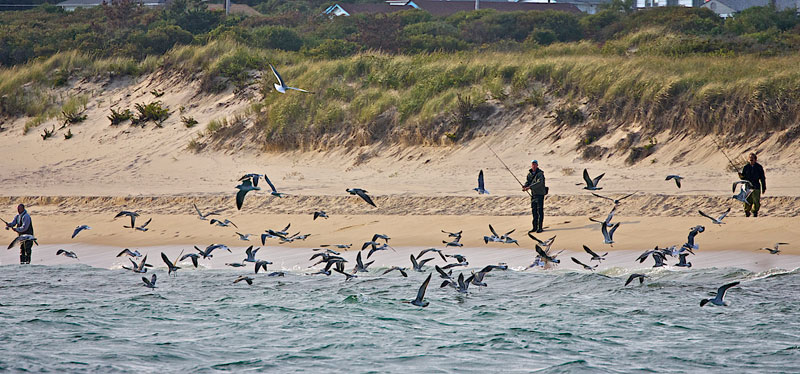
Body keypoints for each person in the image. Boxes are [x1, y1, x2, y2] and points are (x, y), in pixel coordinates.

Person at [522, 160, 547, 233]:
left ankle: (540, 227)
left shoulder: (540, 174)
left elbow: (539, 183)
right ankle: (534, 227)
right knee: (534, 211)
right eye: (533, 164)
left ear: (537, 165)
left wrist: (529, 187)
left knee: (540, 211)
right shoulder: (529, 174)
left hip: (540, 194)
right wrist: (525, 186)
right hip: (533, 194)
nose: (534, 166)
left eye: (535, 164)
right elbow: (528, 182)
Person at [739, 153, 766, 217]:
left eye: (752, 158)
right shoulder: (746, 167)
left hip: (756, 186)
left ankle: (755, 212)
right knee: (747, 201)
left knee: (756, 201)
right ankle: (747, 212)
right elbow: (743, 178)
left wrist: (763, 187)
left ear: (755, 159)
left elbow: (762, 178)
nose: (751, 160)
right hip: (747, 187)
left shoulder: (759, 167)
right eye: (750, 158)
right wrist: (741, 176)